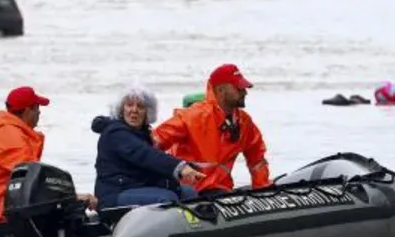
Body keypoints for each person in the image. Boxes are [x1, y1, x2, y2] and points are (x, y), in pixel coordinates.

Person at [0, 86, 98, 225]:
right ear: (27, 111)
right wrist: (74, 198)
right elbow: (32, 182)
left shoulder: (7, 131)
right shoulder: (13, 139)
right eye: (37, 108)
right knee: (67, 209)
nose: (39, 112)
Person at [153, 64, 271, 196]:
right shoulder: (193, 117)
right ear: (220, 90)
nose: (245, 92)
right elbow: (152, 144)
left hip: (220, 190)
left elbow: (257, 159)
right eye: (239, 88)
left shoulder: (243, 121)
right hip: (189, 192)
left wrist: (262, 189)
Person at [91, 84, 206, 208]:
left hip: (136, 186)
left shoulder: (143, 134)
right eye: (129, 105)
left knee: (188, 192)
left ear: (148, 112)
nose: (134, 110)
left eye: (140, 106)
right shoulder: (116, 133)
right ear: (121, 109)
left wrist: (189, 166)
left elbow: (153, 163)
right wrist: (180, 167)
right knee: (167, 198)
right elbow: (145, 155)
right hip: (114, 193)